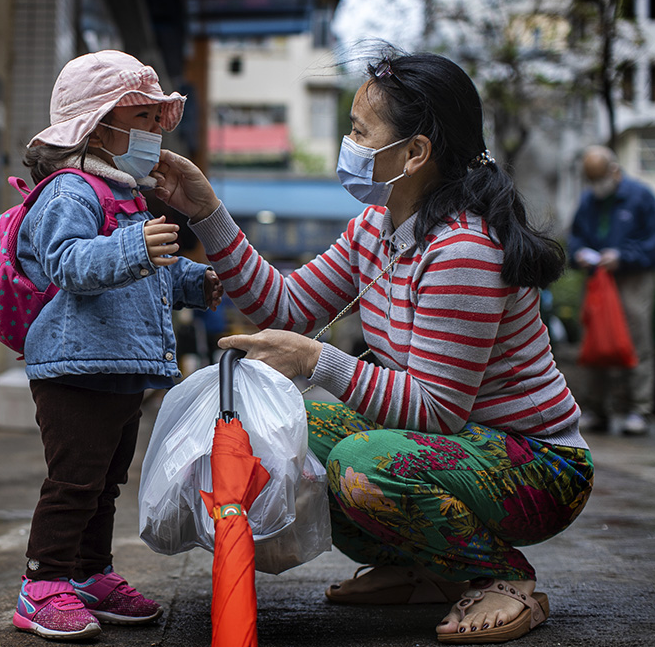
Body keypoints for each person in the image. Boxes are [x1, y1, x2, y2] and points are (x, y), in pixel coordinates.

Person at [152, 51, 594, 644]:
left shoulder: (462, 250)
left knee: (361, 466)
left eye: (361, 130)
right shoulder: (376, 227)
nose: (349, 143)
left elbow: (438, 410)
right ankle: (420, 567)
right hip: (460, 446)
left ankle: (503, 577)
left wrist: (315, 360)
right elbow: (285, 306)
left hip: (538, 466)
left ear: (415, 153)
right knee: (287, 425)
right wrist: (206, 213)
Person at [12, 50, 223, 640]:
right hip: (73, 367)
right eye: (145, 117)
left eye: (160, 118)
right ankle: (42, 583)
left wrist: (195, 281)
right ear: (98, 124)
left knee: (105, 483)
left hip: (119, 366)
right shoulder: (69, 192)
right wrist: (136, 249)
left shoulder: (128, 194)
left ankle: (90, 574)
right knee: (74, 480)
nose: (158, 131)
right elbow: (67, 263)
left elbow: (149, 271)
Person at [568, 146, 655, 436]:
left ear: (614, 171)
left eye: (600, 179)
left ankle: (638, 409)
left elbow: (652, 241)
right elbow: (575, 236)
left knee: (635, 338)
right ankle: (597, 409)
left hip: (633, 276)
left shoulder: (641, 197)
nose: (597, 186)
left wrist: (623, 256)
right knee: (594, 340)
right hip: (597, 278)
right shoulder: (589, 200)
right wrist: (578, 253)